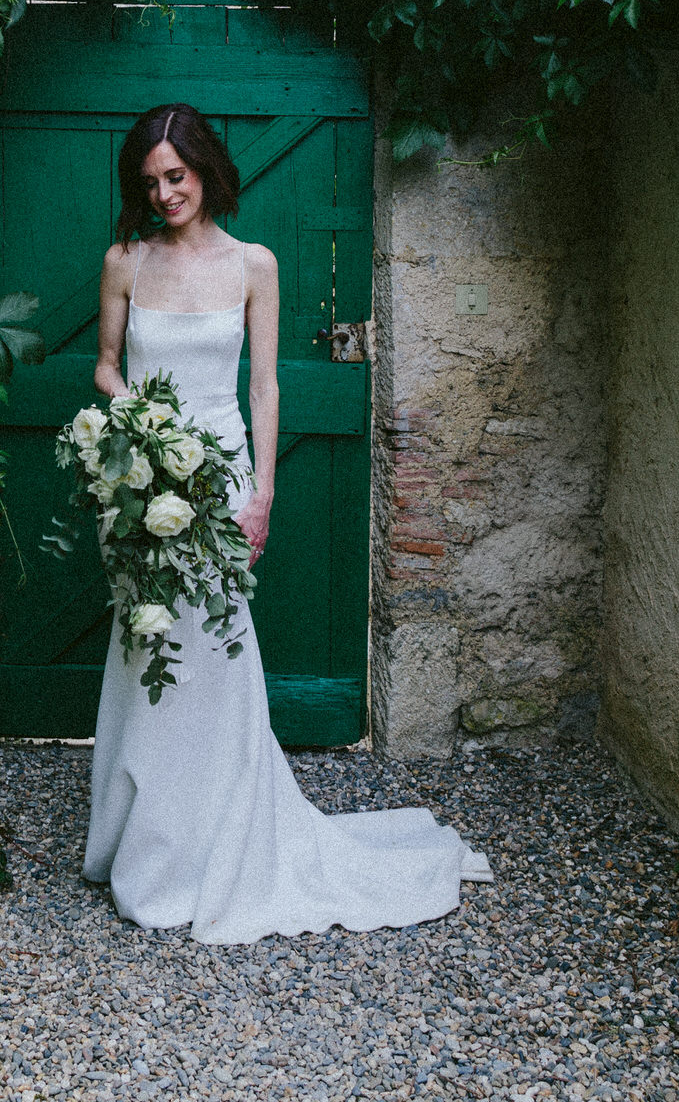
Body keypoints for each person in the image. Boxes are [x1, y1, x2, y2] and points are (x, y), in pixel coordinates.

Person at [80, 101, 492, 943]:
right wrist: (145, 433)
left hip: (222, 477)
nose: (165, 193)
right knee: (147, 645)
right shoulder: (125, 261)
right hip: (146, 481)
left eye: (178, 176)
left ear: (206, 171)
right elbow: (106, 369)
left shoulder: (253, 265)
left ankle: (220, 845)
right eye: (151, 181)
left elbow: (264, 389)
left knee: (214, 652)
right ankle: (144, 845)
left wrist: (262, 489)